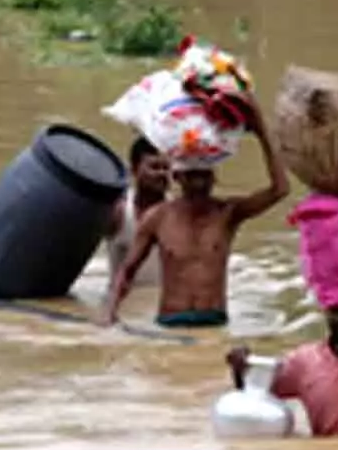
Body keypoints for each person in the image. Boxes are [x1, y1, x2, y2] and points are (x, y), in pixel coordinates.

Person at [225, 197, 338, 437]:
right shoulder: (304, 363)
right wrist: (240, 367)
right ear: (326, 310)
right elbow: (255, 397)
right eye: (337, 310)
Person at [102, 95, 290, 329]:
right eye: (192, 176)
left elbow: (280, 189)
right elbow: (127, 271)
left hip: (214, 322)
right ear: (177, 177)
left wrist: (261, 131)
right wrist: (109, 314)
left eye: (204, 176)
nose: (199, 184)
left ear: (214, 178)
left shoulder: (228, 213)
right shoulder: (158, 218)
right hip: (170, 321)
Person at [103, 136, 171, 289]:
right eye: (154, 167)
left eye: (166, 168)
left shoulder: (178, 212)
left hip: (162, 306)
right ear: (133, 170)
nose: (162, 173)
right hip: (122, 305)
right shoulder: (119, 211)